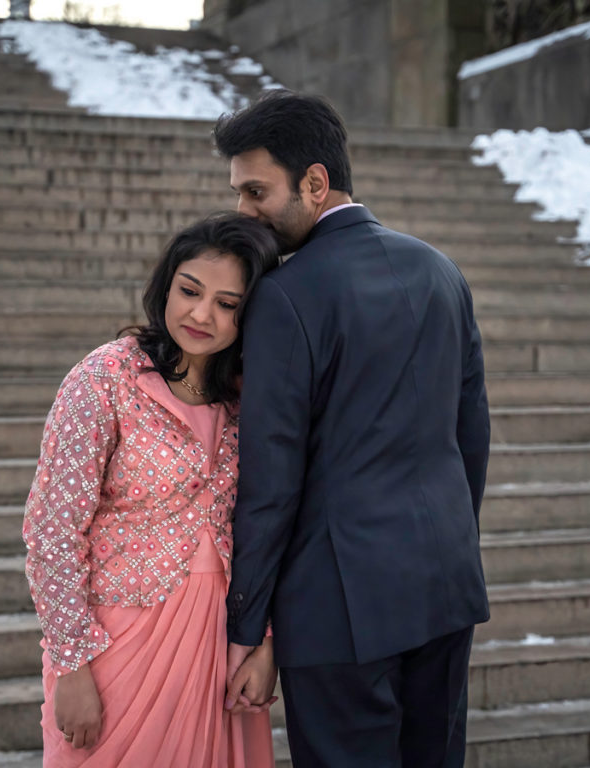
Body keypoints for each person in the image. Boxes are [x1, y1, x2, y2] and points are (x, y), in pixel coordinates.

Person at [214, 90, 491, 767]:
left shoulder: (284, 294)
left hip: (337, 607)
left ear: (315, 182)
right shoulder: (440, 270)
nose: (243, 211)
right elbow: (471, 436)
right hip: (444, 584)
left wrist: (246, 624)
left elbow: (271, 478)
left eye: (256, 191)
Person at [23, 212, 281, 768]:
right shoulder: (104, 379)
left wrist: (266, 645)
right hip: (116, 645)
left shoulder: (251, 397)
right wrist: (71, 667)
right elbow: (53, 532)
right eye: (190, 290)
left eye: (228, 303)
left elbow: (272, 525)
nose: (201, 313)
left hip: (222, 647)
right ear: (167, 284)